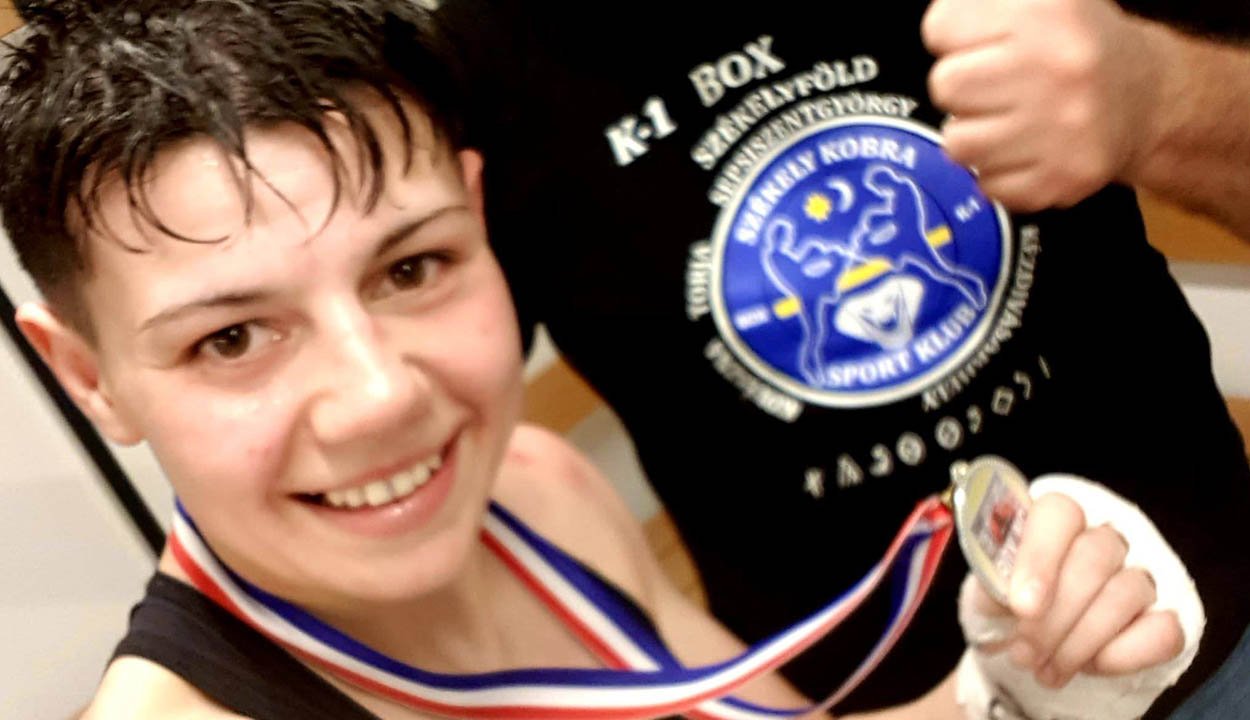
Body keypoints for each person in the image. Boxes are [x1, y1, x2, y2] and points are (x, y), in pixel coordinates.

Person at [0, 2, 1201, 719]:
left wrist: (1002, 690)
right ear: (88, 376)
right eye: (230, 338)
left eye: (410, 267)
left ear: (479, 218)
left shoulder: (535, 496)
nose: (378, 397)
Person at [430, 0, 1250, 716]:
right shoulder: (471, 75)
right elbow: (421, 406)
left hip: (1226, 631)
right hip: (860, 705)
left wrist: (1157, 96)